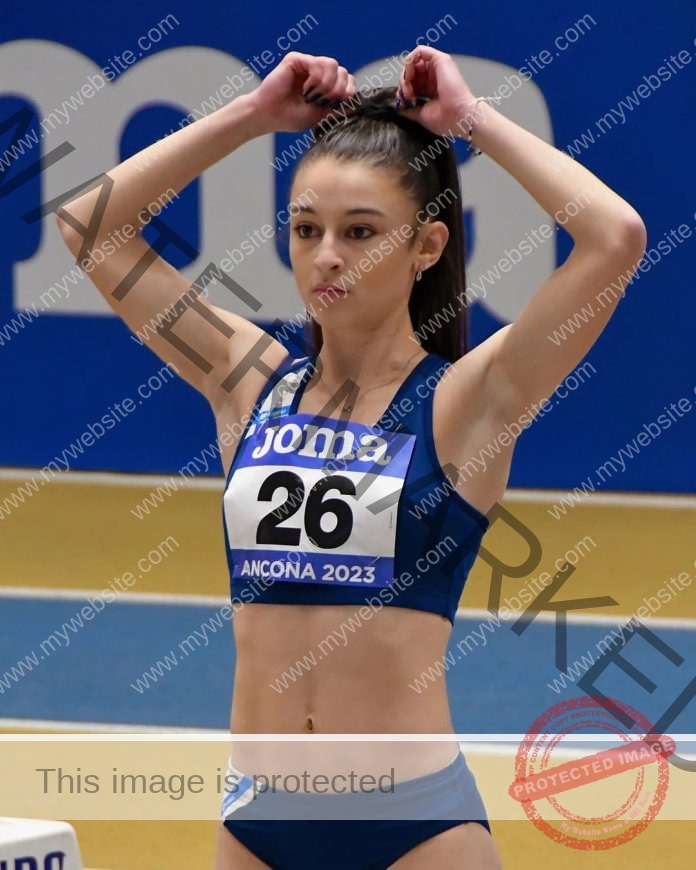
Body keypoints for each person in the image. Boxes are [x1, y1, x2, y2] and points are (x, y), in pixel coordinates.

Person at [56, 46, 646, 870]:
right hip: (258, 822)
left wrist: (469, 119)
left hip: (417, 829)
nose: (327, 255)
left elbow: (613, 237)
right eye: (306, 229)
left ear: (427, 245)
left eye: (361, 231)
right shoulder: (245, 380)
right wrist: (253, 115)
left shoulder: (468, 403)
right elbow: (88, 226)